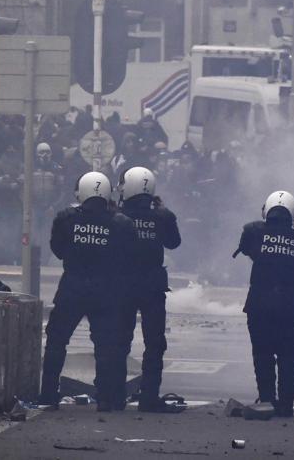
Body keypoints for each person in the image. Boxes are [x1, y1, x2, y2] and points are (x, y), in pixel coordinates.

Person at [40, 172, 136, 411]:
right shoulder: (121, 222)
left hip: (72, 286)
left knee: (56, 341)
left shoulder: (66, 218)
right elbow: (129, 256)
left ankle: (48, 394)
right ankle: (106, 398)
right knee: (105, 345)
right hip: (106, 289)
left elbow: (58, 250)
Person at [234, 191, 294, 417]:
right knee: (289, 356)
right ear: (293, 214)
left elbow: (247, 250)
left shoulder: (253, 232)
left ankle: (267, 400)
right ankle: (286, 404)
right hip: (289, 306)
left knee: (262, 354)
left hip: (258, 304)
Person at [118, 166, 183, 413]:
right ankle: (149, 397)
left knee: (119, 340)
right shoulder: (162, 216)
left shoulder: (119, 215)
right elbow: (174, 243)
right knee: (154, 343)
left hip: (123, 284)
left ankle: (113, 395)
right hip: (152, 286)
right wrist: (163, 212)